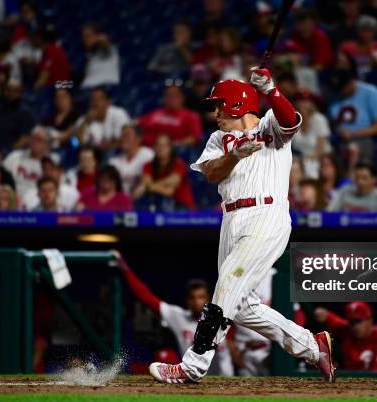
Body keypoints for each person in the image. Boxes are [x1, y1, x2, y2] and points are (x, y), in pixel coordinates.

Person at [148, 69, 336, 383]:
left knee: (224, 288)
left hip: (266, 215)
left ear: (236, 104)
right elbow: (210, 172)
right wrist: (234, 154)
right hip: (232, 219)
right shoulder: (218, 139)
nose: (215, 112)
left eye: (219, 105)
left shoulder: (269, 124)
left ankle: (193, 365)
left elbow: (290, 120)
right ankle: (312, 347)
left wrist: (272, 90)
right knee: (243, 306)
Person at [119, 259, 234, 376]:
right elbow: (147, 298)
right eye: (192, 298)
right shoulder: (179, 317)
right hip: (192, 376)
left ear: (208, 298)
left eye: (201, 297)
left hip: (222, 378)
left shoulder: (219, 318)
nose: (196, 302)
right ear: (187, 300)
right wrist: (126, 270)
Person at [328, 52, 377, 171]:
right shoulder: (334, 98)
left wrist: (353, 134)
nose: (341, 91)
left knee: (352, 149)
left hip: (366, 140)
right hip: (340, 141)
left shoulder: (370, 92)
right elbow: (333, 125)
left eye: (343, 87)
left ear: (351, 82)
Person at [314, 302, 377, 371]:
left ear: (370, 320)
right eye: (351, 322)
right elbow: (326, 316)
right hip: (352, 387)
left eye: (358, 321)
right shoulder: (348, 330)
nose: (355, 326)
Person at [140, 134, 196, 210]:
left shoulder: (179, 164)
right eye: (158, 145)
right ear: (154, 148)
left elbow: (172, 185)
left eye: (164, 146)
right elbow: (147, 183)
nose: (161, 148)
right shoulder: (148, 165)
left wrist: (152, 186)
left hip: (182, 205)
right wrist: (154, 186)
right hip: (158, 203)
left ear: (170, 148)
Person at [138, 85, 203, 147]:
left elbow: (195, 138)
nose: (171, 98)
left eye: (175, 95)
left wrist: (174, 145)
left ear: (182, 97)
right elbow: (138, 123)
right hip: (148, 149)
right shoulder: (156, 113)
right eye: (168, 95)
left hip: (175, 152)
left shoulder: (191, 116)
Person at [3, 126, 57, 199]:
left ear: (46, 144)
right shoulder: (15, 157)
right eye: (33, 138)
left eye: (39, 139)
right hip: (15, 201)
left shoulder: (53, 161)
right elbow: (1, 178)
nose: (34, 142)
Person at [109, 123, 154, 199]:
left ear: (138, 139)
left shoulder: (148, 155)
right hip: (120, 202)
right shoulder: (114, 162)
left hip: (144, 200)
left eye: (127, 135)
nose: (123, 138)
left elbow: (151, 182)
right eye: (122, 135)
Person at [292, 98, 331, 179]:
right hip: (300, 159)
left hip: (320, 158)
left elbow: (321, 149)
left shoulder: (319, 119)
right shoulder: (293, 121)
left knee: (309, 170)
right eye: (300, 106)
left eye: (305, 106)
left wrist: (307, 160)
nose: (302, 106)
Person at [80, 22, 120, 89]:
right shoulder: (90, 57)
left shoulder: (109, 50)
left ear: (98, 36)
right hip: (89, 90)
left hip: (107, 88)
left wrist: (99, 39)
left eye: (88, 36)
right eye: (83, 37)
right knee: (60, 85)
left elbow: (105, 43)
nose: (85, 40)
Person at [33, 25, 71, 90]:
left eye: (36, 36)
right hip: (55, 87)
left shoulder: (53, 50)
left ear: (42, 38)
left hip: (59, 88)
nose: (34, 39)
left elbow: (44, 76)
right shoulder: (49, 51)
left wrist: (34, 89)